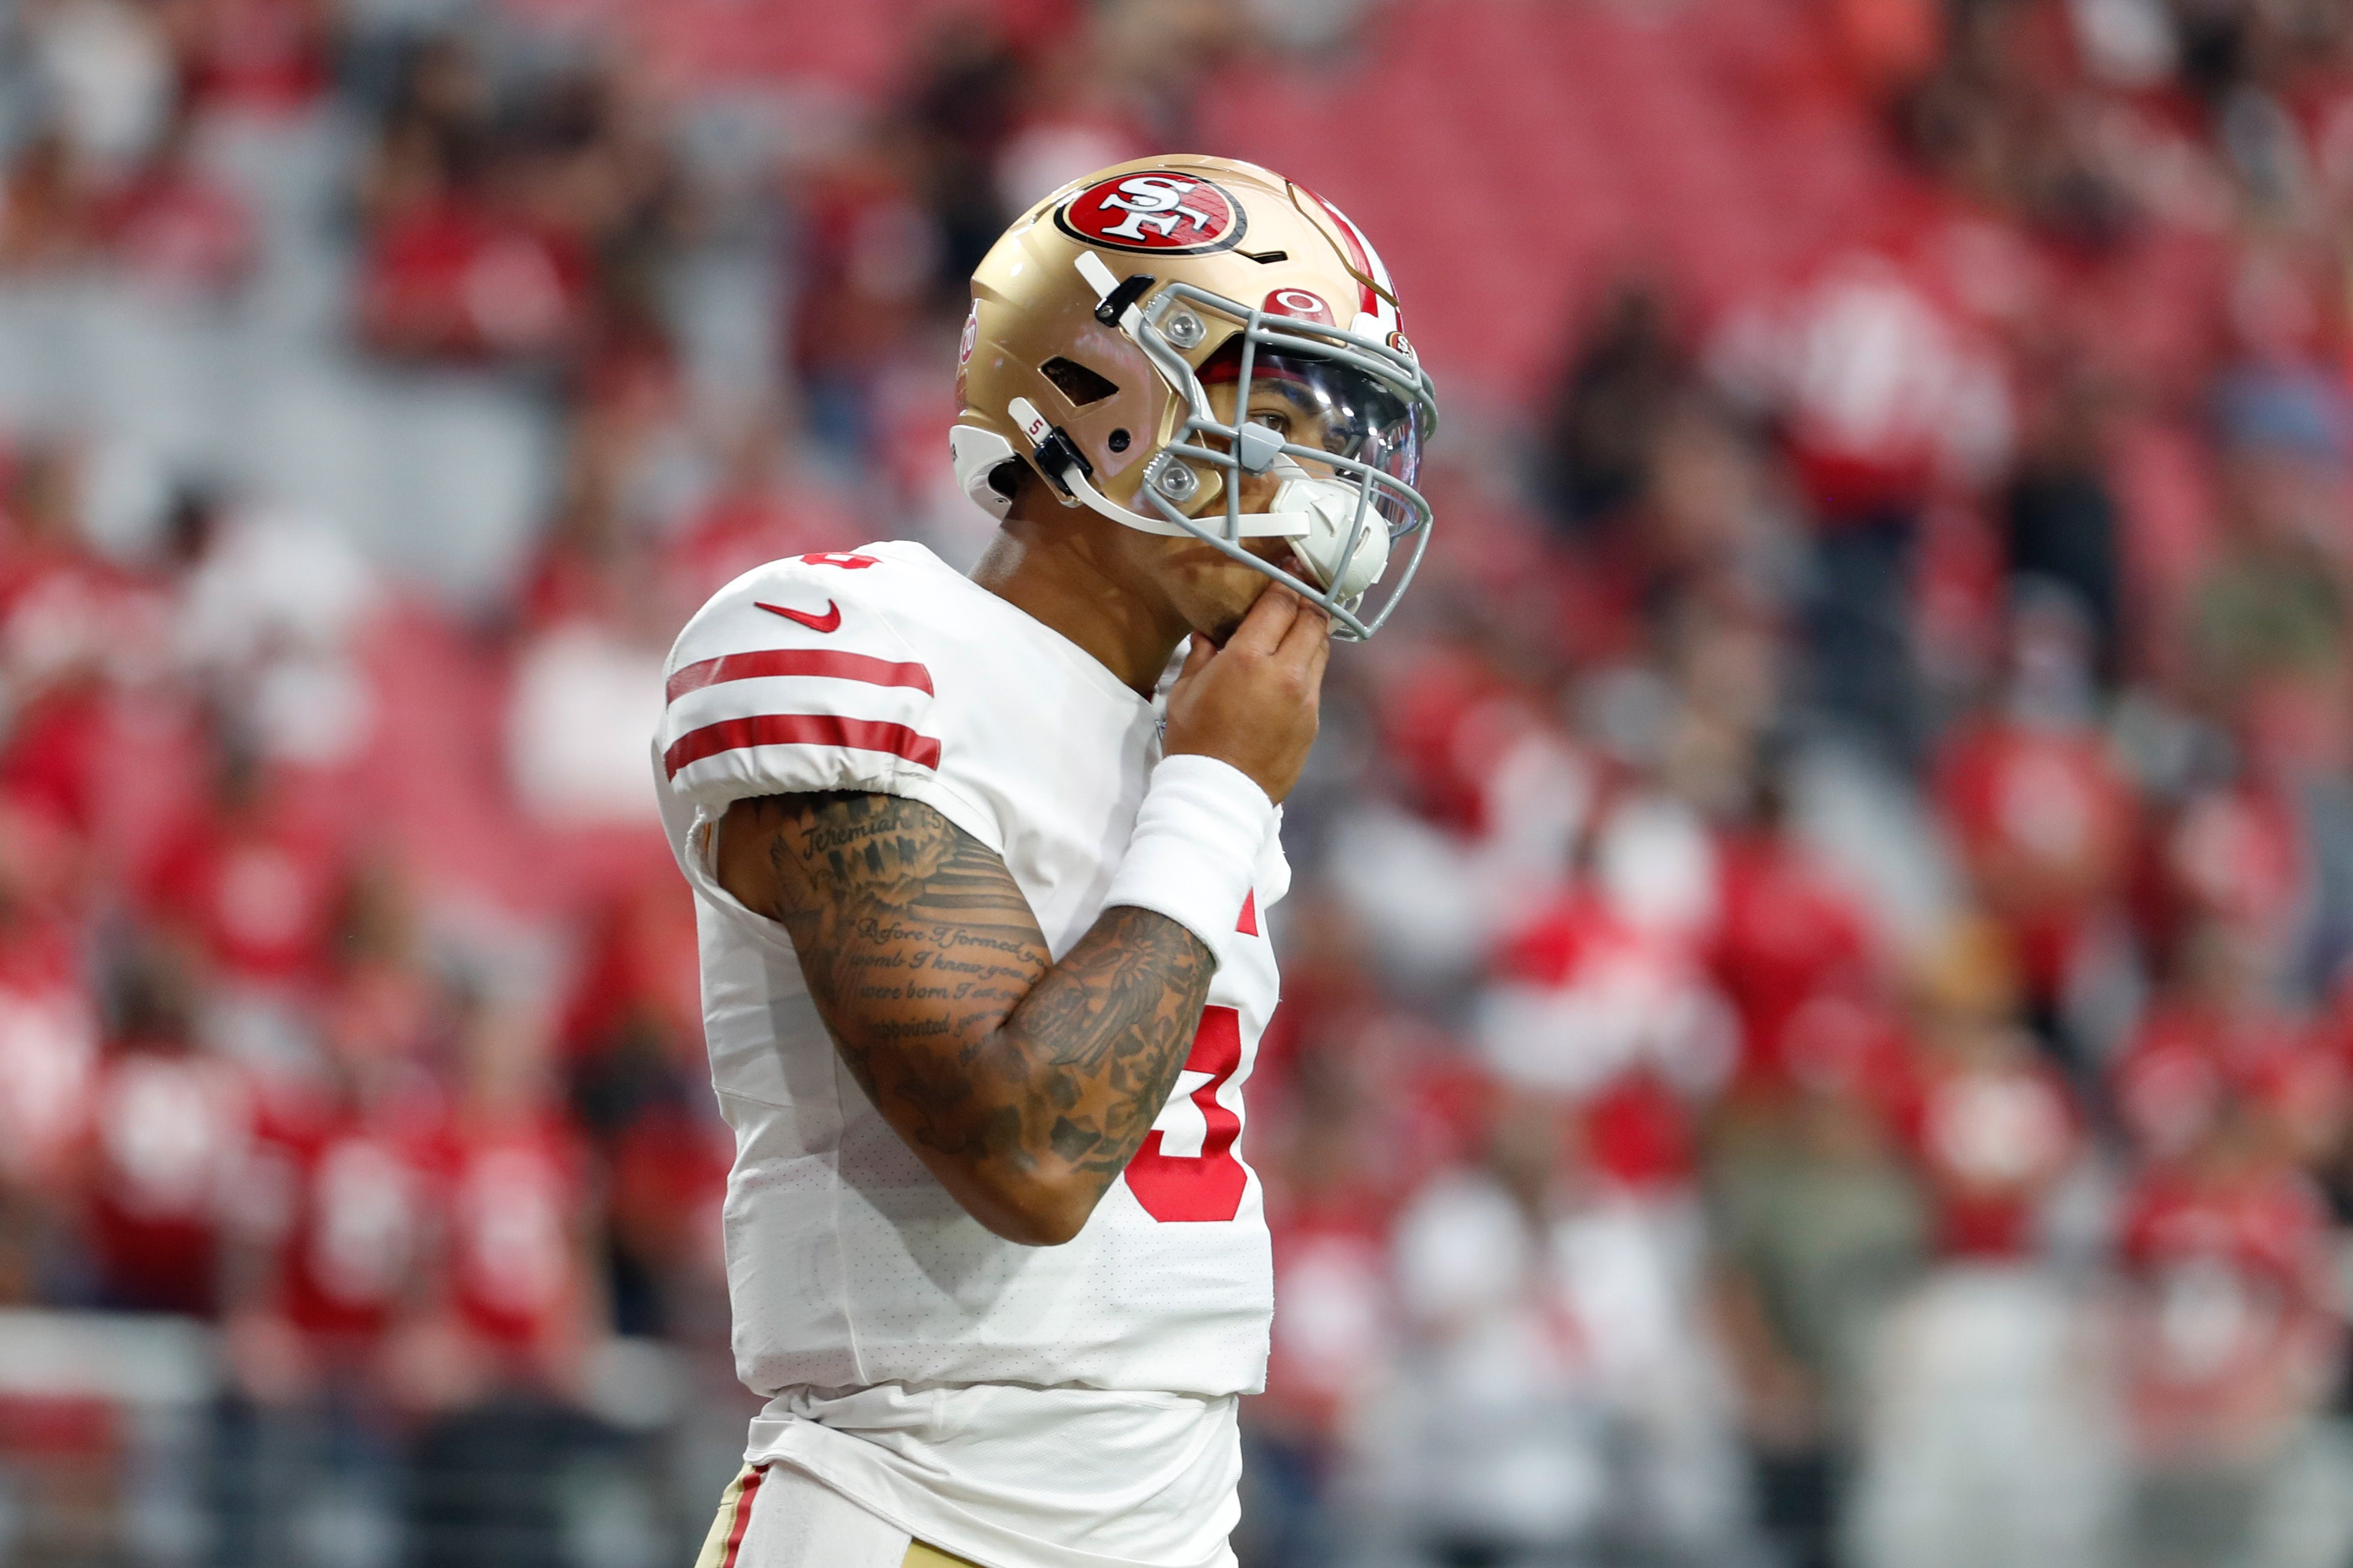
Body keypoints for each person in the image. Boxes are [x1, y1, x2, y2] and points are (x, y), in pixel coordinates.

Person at [652, 155, 1437, 1568]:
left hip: (1174, 1523)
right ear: (1099, 401)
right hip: (915, 1522)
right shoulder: (856, 646)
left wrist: (1207, 780)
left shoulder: (1195, 742)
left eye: (1354, 437)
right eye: (1283, 414)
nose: (1335, 489)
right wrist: (1211, 794)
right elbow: (1031, 1152)